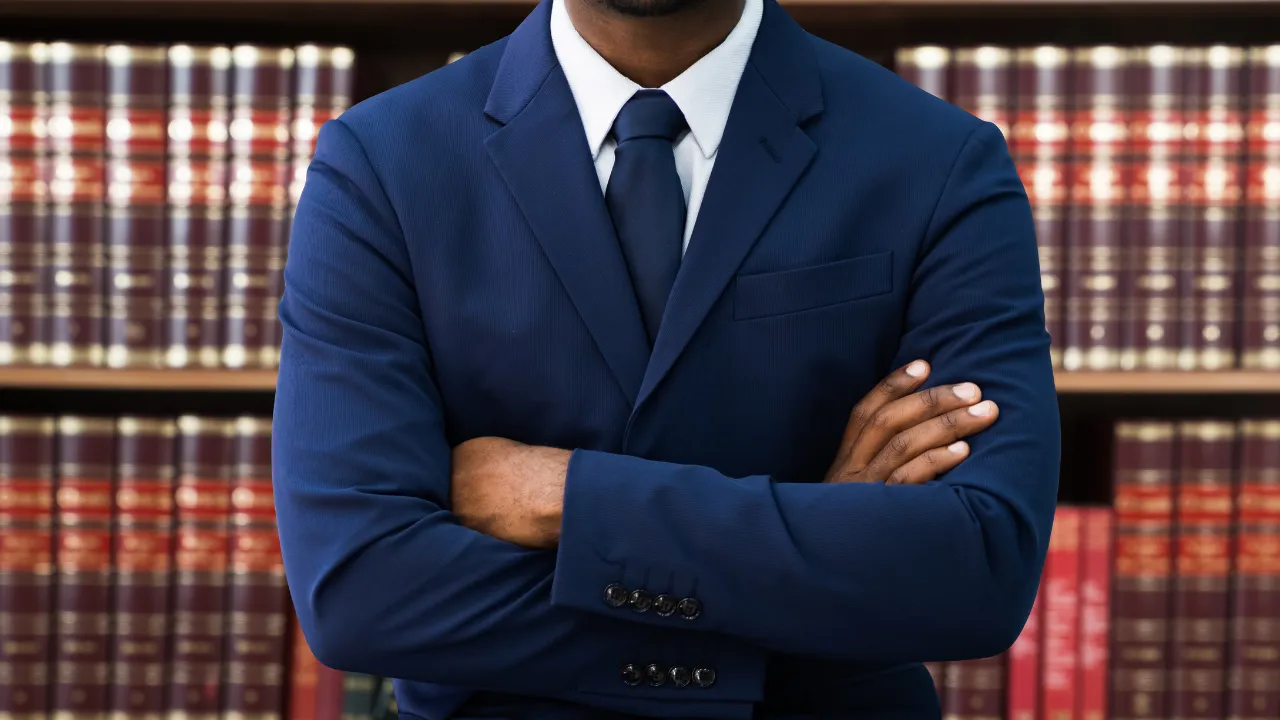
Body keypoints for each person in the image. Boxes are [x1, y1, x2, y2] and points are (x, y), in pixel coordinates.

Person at [270, 0, 1061, 715]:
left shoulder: (941, 160)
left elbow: (977, 569)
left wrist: (566, 497)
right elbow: (361, 591)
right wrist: (818, 539)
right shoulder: (380, 162)